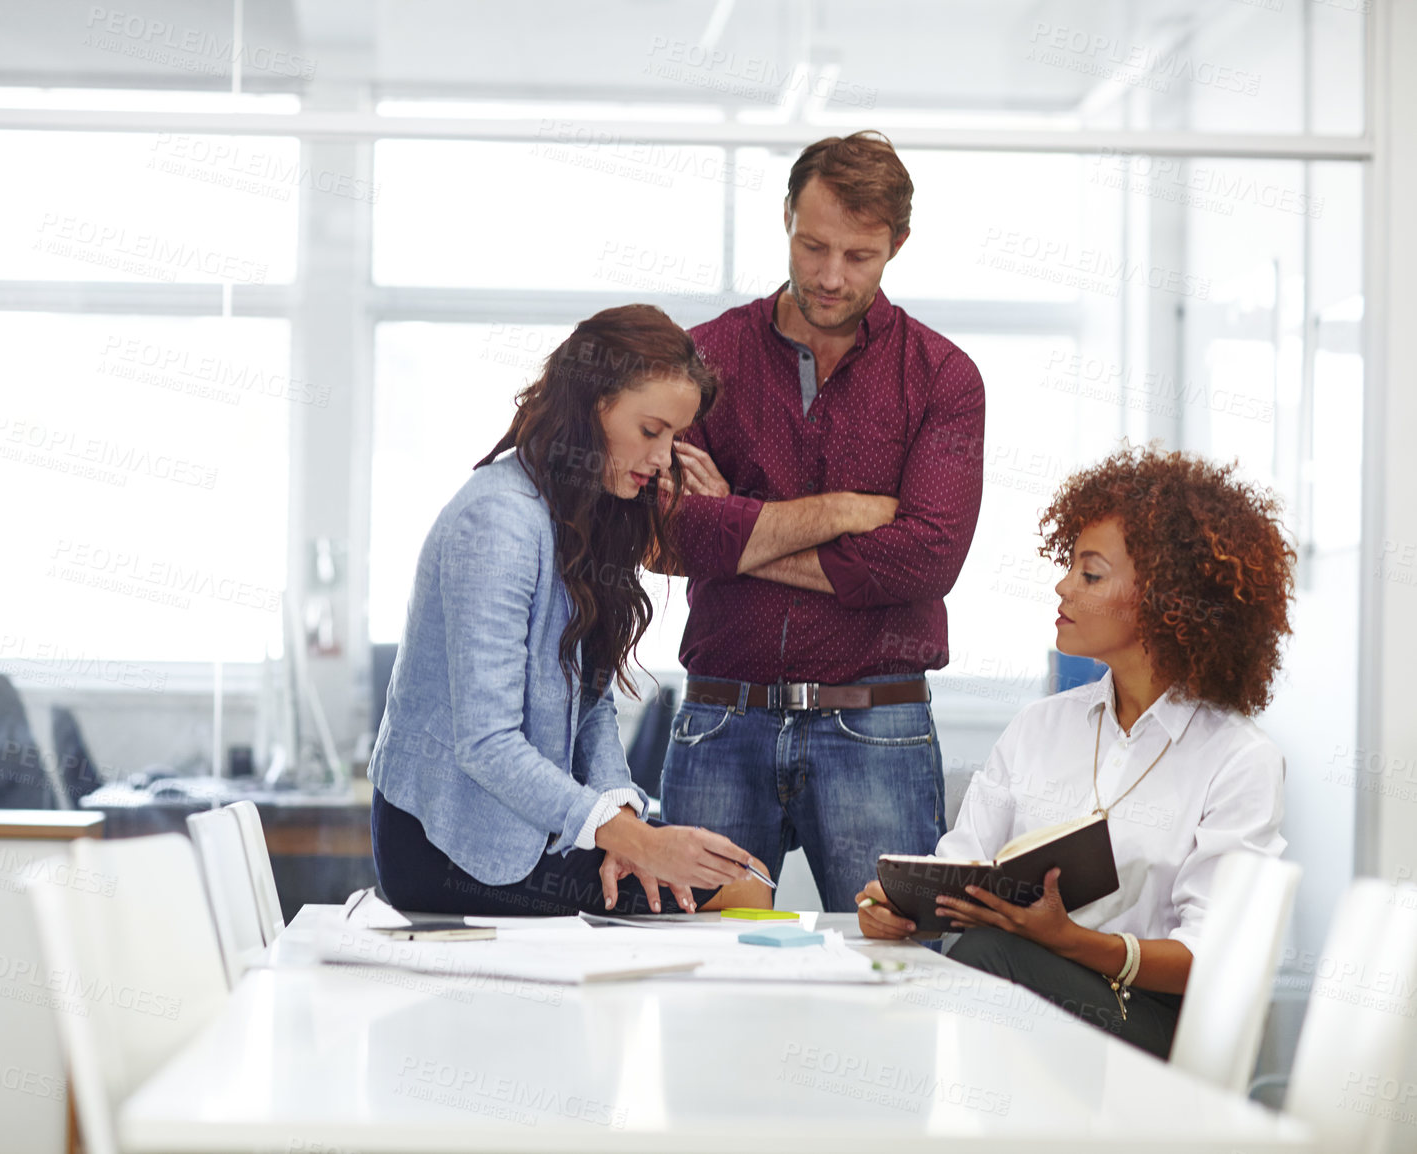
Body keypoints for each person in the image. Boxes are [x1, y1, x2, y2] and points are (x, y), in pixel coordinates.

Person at [857, 448, 1297, 1059]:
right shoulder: (1042, 726)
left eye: (1090, 575)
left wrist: (1069, 942)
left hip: (1144, 1020)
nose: (1063, 585)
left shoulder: (1238, 758)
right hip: (1027, 992)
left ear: (1165, 600)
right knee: (942, 965)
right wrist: (902, 909)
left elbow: (1213, 959)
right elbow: (963, 867)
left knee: (986, 958)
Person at [660, 131, 986, 911]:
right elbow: (666, 537)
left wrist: (731, 530)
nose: (831, 276)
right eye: (813, 247)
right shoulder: (702, 360)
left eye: (859, 255)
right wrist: (842, 515)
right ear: (784, 220)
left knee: (897, 977)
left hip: (878, 726)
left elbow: (925, 562)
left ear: (897, 245)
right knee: (694, 976)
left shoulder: (944, 377)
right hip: (720, 717)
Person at [368, 304, 774, 918]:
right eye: (650, 431)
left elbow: (590, 704)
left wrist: (623, 818)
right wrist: (632, 840)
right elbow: (487, 744)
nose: (664, 459)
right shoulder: (498, 522)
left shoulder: (579, 517)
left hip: (530, 828)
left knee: (748, 874)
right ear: (593, 407)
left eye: (674, 438)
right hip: (451, 846)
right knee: (743, 885)